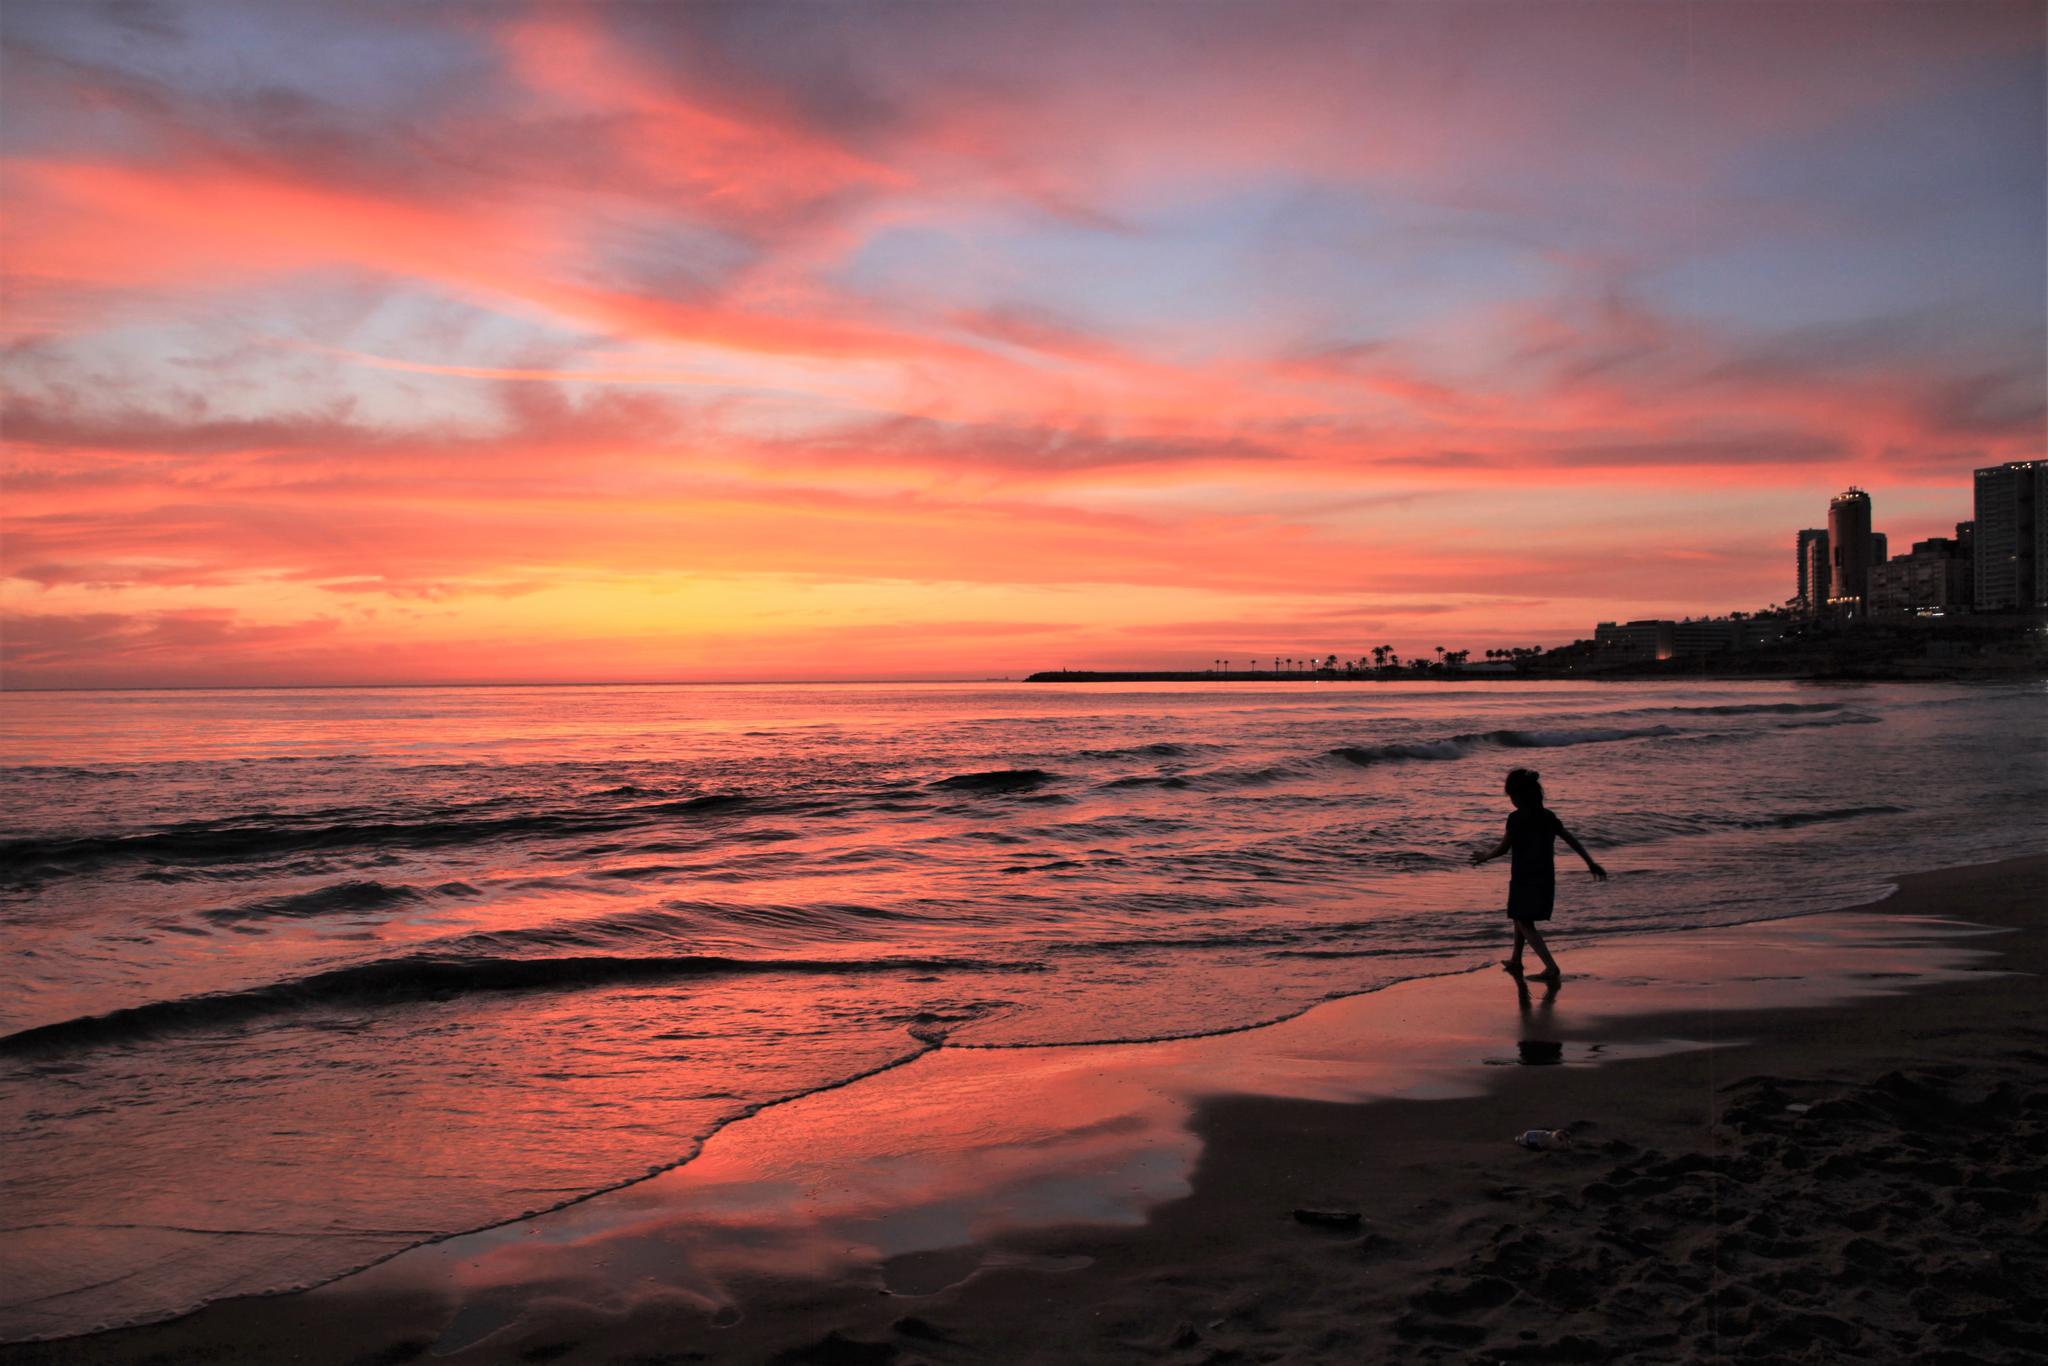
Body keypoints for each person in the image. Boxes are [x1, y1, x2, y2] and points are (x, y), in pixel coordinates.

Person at [1470, 767, 1605, 980]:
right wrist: (1590, 862)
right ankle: (1516, 960)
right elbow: (1571, 839)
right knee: (1520, 917)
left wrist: (1485, 856)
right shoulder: (1547, 816)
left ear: (1517, 796)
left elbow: (1503, 848)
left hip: (1525, 877)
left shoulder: (1516, 818)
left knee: (1523, 920)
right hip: (1545, 876)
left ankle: (1551, 967)